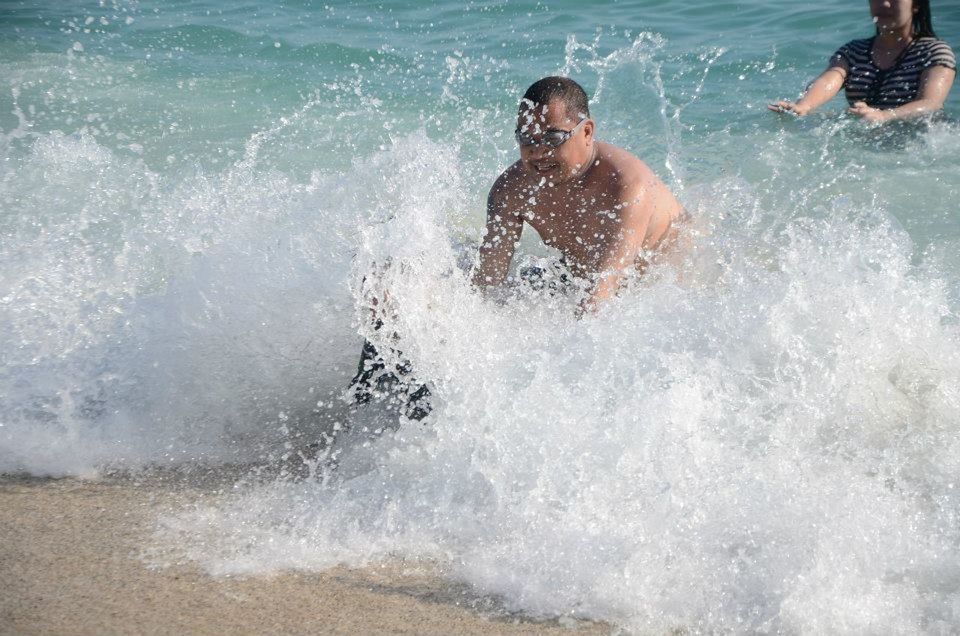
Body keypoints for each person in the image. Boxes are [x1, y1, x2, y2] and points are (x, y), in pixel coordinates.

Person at [472, 76, 685, 314]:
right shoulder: (512, 191)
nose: (539, 152)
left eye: (553, 138)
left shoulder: (626, 187)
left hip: (672, 287)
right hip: (579, 279)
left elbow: (599, 299)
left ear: (586, 131)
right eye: (526, 138)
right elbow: (486, 285)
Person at [769, 0, 955, 123]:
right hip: (868, 147)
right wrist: (804, 105)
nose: (884, 4)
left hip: (917, 147)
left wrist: (884, 116)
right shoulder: (854, 51)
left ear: (916, 5)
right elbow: (828, 79)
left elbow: (931, 103)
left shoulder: (934, 52)